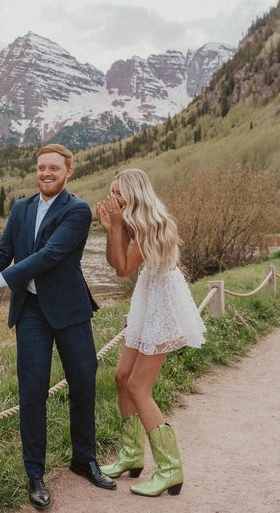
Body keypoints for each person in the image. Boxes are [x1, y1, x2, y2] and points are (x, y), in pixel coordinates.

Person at [0, 144, 116, 510]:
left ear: (68, 171)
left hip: (70, 310)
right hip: (31, 312)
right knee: (32, 393)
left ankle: (84, 459)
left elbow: (49, 256)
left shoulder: (78, 211)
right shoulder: (21, 209)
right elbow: (2, 252)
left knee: (84, 383)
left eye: (54, 167)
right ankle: (35, 476)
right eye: (41, 168)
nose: (46, 173)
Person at [96, 168, 206, 498]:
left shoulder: (152, 225)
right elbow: (117, 263)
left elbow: (122, 268)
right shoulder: (133, 221)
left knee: (138, 387)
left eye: (118, 193)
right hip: (148, 297)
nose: (113, 199)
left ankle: (171, 468)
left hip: (163, 304)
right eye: (112, 192)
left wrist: (115, 226)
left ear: (134, 194)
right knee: (121, 376)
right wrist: (112, 229)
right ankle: (131, 454)